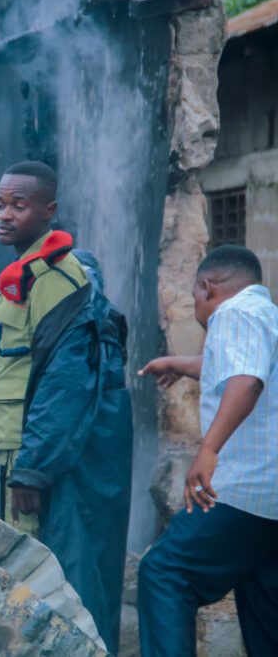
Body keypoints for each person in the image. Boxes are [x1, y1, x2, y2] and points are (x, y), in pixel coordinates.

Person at [138, 245, 278, 657]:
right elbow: (235, 363)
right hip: (271, 499)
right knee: (263, 602)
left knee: (165, 573)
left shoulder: (232, 313)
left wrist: (208, 450)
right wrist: (179, 363)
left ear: (207, 287)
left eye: (195, 298)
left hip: (244, 488)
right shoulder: (267, 315)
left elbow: (246, 378)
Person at [7, 247, 133, 654]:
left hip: (74, 472)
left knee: (69, 579)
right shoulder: (104, 320)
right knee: (96, 573)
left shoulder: (82, 321)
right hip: (100, 472)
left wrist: (31, 470)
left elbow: (63, 396)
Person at [0, 161, 88, 537]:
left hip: (27, 450)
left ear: (49, 211)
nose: (4, 215)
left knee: (27, 559)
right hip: (11, 443)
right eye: (0, 204)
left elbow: (64, 379)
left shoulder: (53, 278)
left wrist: (32, 469)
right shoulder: (26, 274)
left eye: (18, 205)